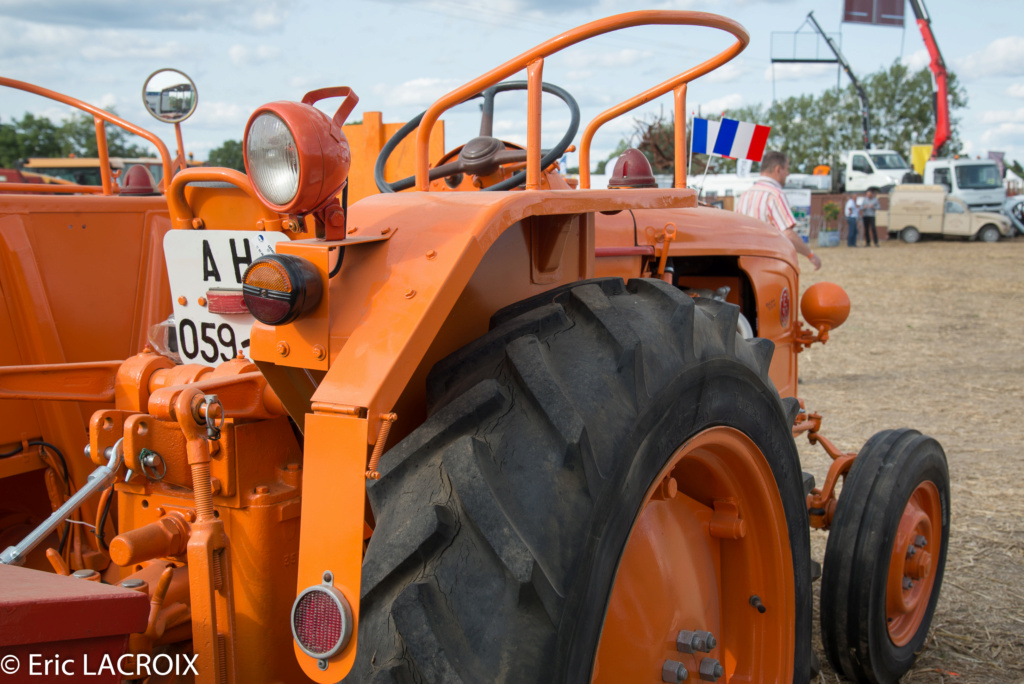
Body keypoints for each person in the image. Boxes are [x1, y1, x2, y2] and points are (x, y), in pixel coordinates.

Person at [736, 151, 822, 270]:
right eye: (787, 169)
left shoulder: (744, 196)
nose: (788, 173)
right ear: (778, 170)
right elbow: (787, 233)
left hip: (745, 265)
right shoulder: (775, 195)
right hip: (768, 263)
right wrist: (810, 255)